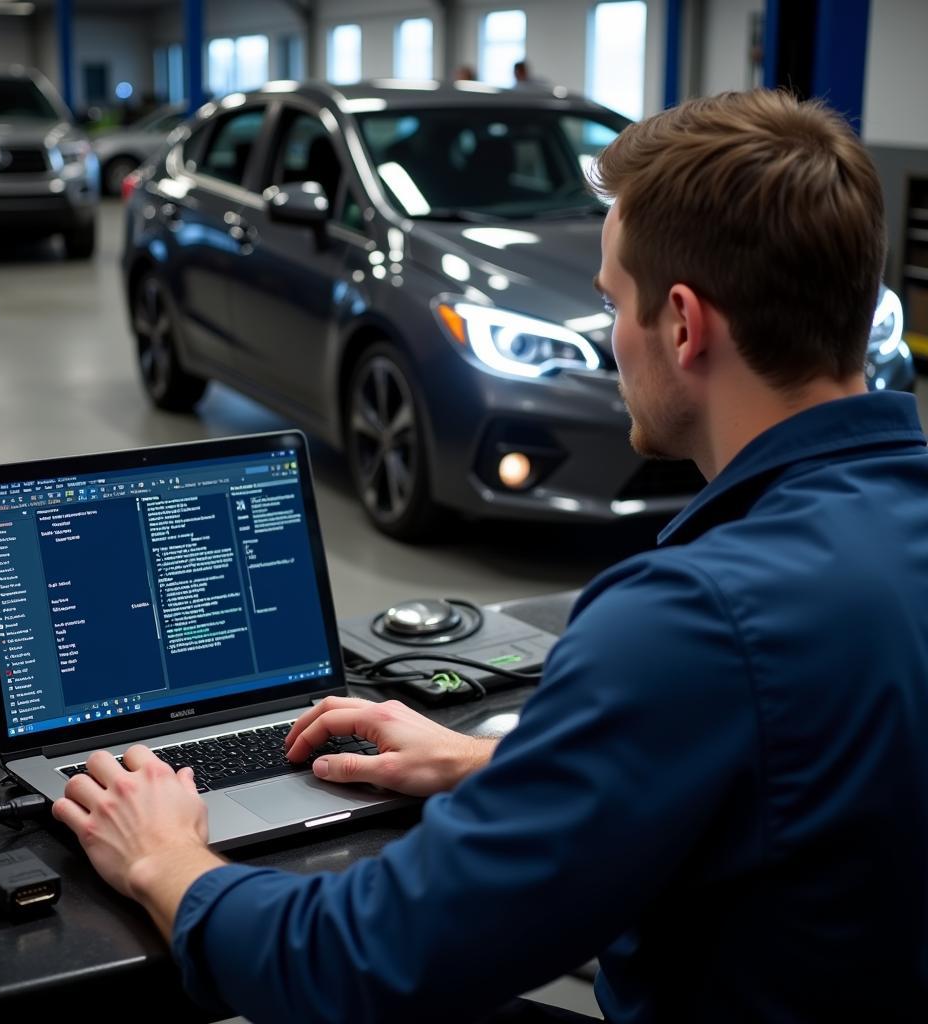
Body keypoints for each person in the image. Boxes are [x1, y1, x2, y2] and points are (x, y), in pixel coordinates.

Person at [52, 90, 928, 1022]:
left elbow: (357, 963)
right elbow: (806, 781)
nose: (615, 337)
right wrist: (492, 764)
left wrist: (166, 859)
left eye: (611, 304)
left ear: (681, 324)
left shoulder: (687, 621)